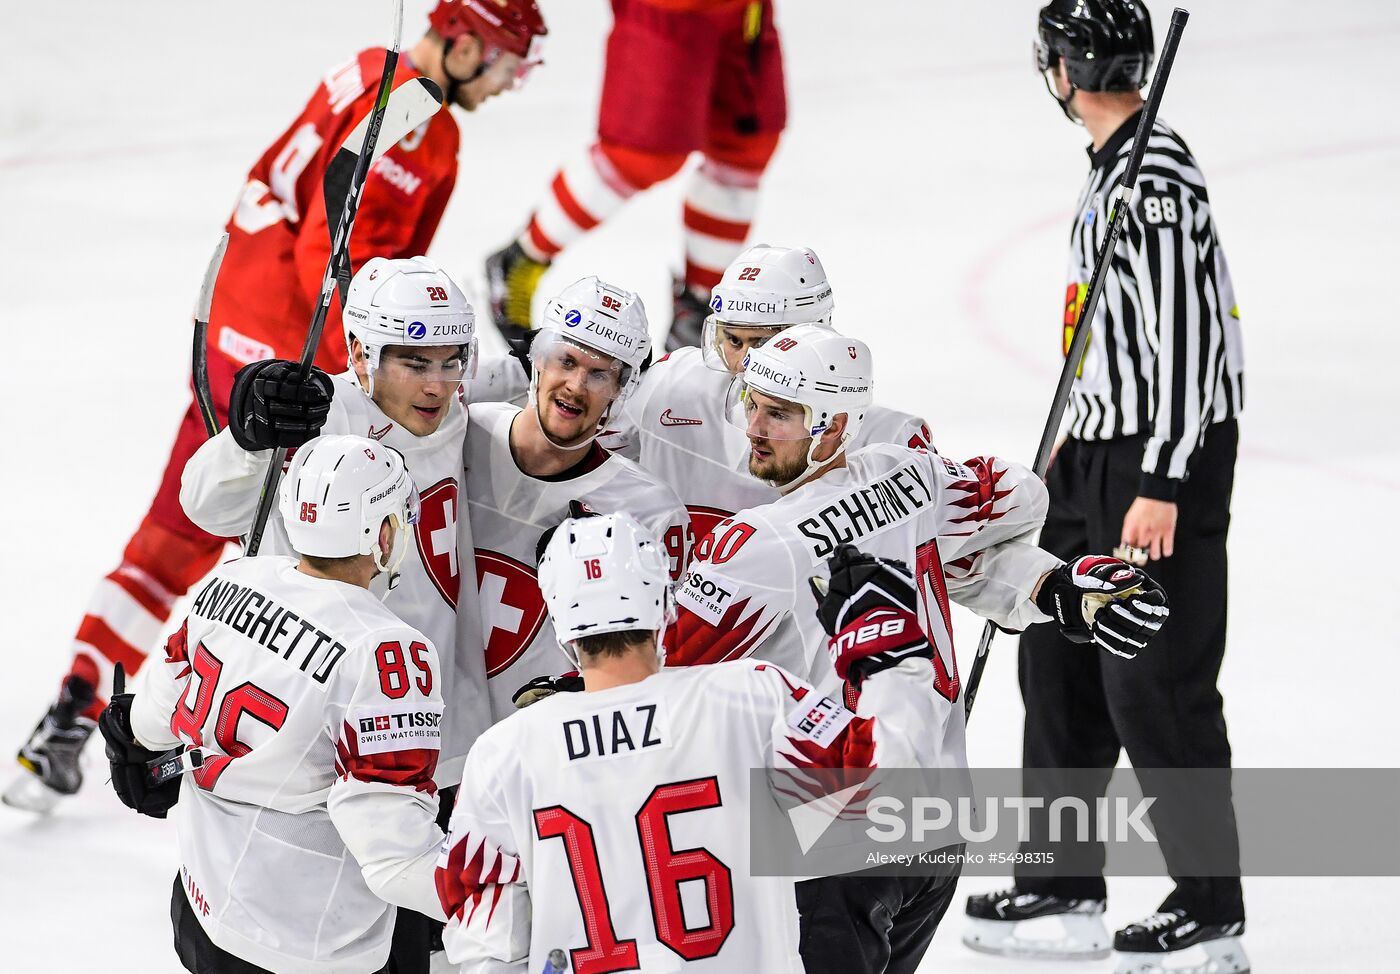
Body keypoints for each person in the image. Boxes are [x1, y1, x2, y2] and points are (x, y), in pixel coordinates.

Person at [4, 0, 548, 812]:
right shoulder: (418, 128)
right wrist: (368, 383)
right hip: (292, 372)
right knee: (292, 568)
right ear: (465, 42)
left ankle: (71, 711)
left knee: (172, 538)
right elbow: (335, 260)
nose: (508, 83)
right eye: (506, 61)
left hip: (234, 339)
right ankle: (229, 732)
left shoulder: (370, 69)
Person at [664, 324, 1171, 974]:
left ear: (835, 424)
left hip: (831, 847)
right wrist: (1054, 586)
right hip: (936, 832)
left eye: (779, 414)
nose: (754, 428)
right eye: (752, 405)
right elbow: (1017, 497)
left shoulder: (757, 546)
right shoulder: (908, 476)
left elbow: (654, 682)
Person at [961, 3, 1248, 972]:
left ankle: (1210, 909)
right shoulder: (1111, 165)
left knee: (1153, 680)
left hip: (1159, 459)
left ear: (1064, 70)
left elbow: (1189, 342)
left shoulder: (1153, 175)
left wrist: (1160, 478)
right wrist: (1067, 453)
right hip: (1096, 454)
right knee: (1057, 654)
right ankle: (1060, 882)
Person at [436, 514, 944, 971]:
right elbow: (892, 790)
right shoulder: (749, 695)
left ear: (559, 625)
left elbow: (487, 943)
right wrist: (890, 655)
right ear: (664, 605)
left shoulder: (504, 751)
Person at [179, 256, 490, 972]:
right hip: (325, 742)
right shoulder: (317, 415)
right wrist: (247, 438)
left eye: (451, 360)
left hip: (434, 734)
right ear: (358, 353)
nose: (437, 383)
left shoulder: (463, 408)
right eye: (414, 361)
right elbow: (206, 505)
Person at [99, 435, 446, 974]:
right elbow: (394, 855)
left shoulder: (231, 579)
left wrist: (130, 738)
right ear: (382, 533)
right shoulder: (384, 649)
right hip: (310, 945)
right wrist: (519, 897)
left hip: (200, 911)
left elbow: (151, 720)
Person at [604, 243, 933, 565]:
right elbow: (584, 475)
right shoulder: (670, 383)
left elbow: (946, 563)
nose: (746, 364)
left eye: (764, 343)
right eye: (734, 340)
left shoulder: (891, 438)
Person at [484, 0, 786, 350]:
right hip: (669, 10)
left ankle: (698, 307)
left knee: (745, 149)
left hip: (743, 12)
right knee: (642, 154)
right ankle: (522, 258)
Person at [461, 277, 688, 721]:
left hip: (548, 747)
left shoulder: (650, 512)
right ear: (537, 361)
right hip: (433, 733)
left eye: (599, 374)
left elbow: (661, 658)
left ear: (621, 390)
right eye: (566, 361)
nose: (576, 385)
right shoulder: (462, 434)